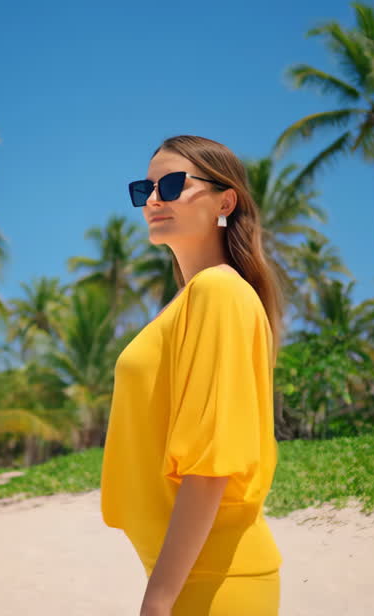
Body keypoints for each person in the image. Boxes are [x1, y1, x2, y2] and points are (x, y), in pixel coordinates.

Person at [101, 135, 285, 616]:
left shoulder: (219, 291)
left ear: (226, 201)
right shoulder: (191, 300)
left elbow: (210, 465)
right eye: (146, 189)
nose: (155, 199)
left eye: (174, 184)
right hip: (191, 572)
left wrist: (158, 602)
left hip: (211, 581)